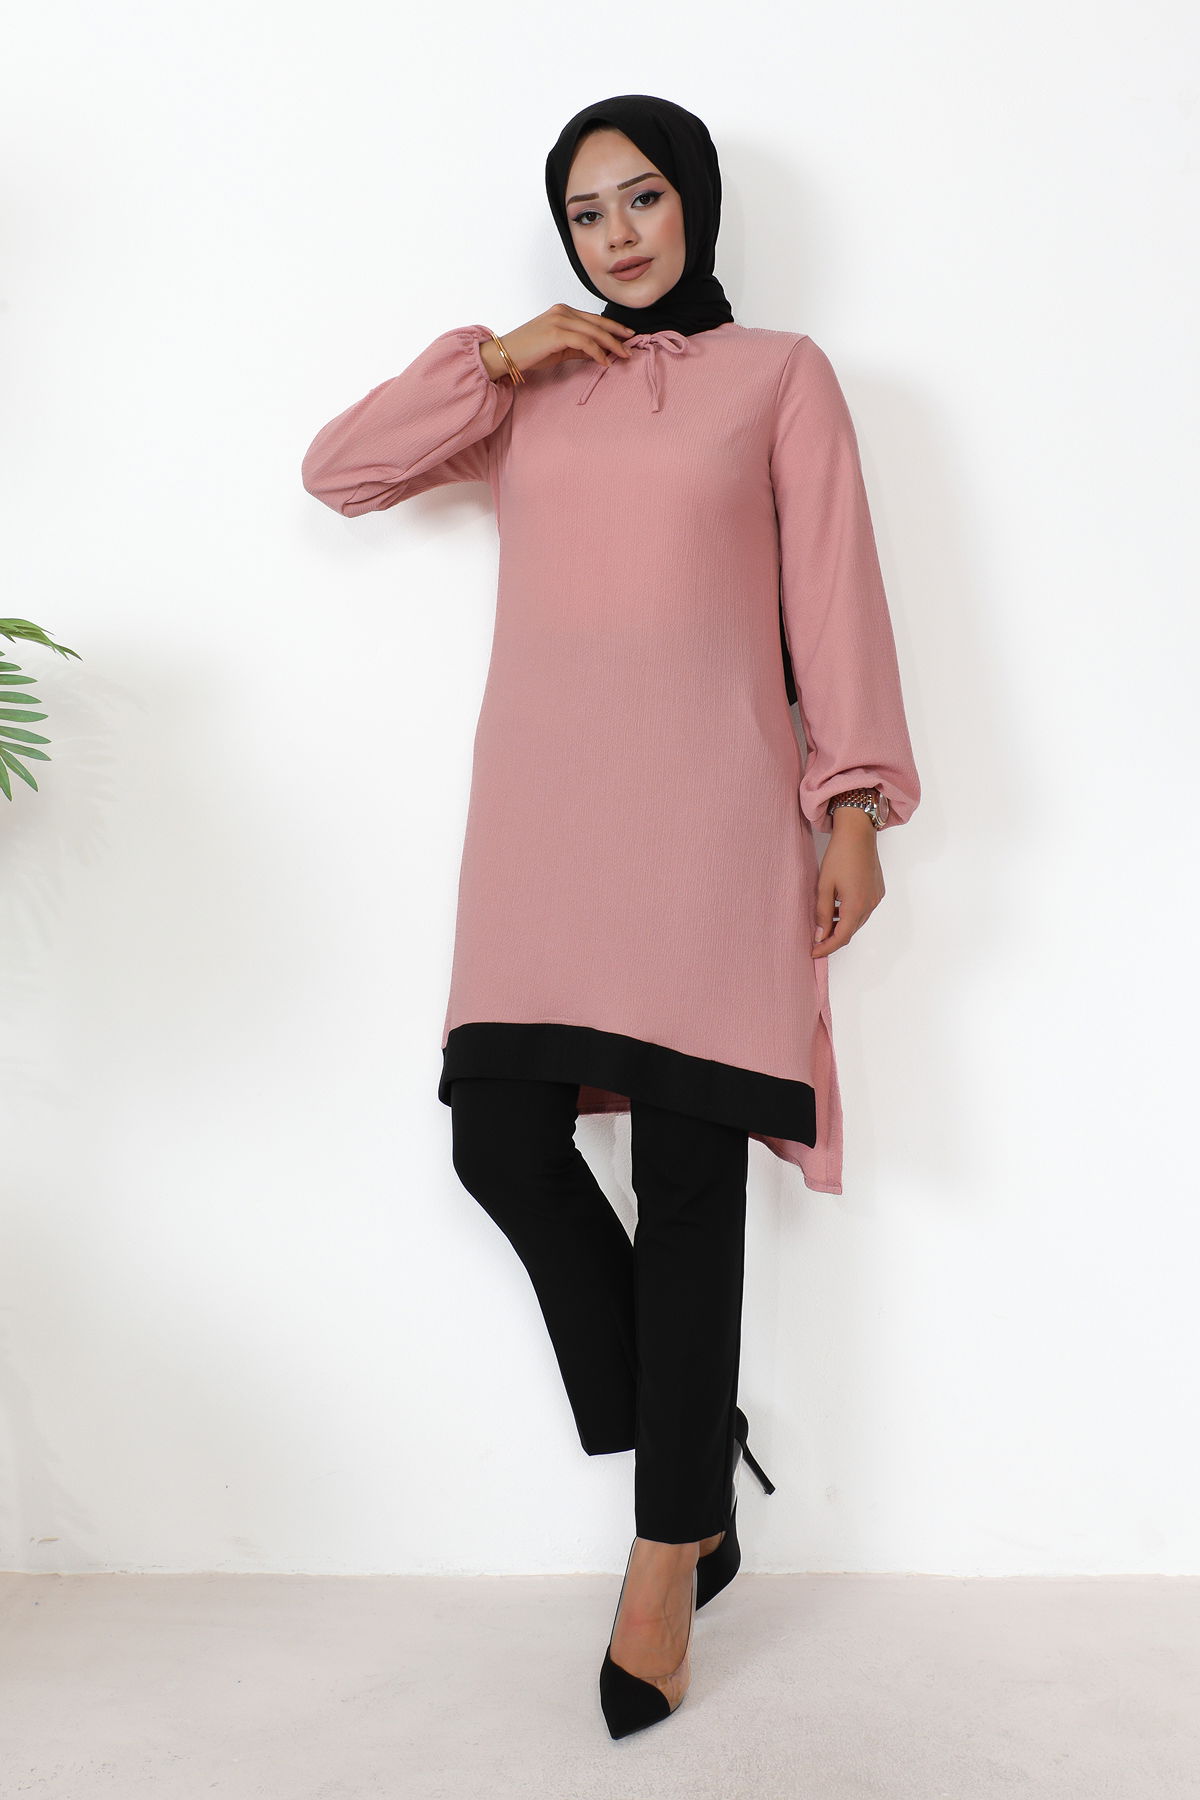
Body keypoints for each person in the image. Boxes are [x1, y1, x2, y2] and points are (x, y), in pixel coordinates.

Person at [301, 92, 921, 1741]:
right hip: (546, 836)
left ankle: (665, 1554)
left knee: (691, 1182)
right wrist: (492, 362)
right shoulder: (529, 388)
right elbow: (339, 471)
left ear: (697, 204)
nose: (620, 234)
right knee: (498, 1139)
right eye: (588, 212)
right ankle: (693, 1454)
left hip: (713, 827)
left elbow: (834, 595)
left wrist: (853, 804)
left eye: (645, 198)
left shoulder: (779, 377)